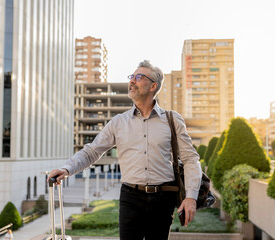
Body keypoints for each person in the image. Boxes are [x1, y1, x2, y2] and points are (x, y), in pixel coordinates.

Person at [48, 60, 202, 240]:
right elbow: (92, 151)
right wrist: (67, 169)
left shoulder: (172, 119)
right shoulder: (118, 122)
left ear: (153, 86)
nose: (132, 81)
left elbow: (191, 159)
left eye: (139, 77)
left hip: (163, 198)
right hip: (131, 197)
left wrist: (191, 197)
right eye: (132, 77)